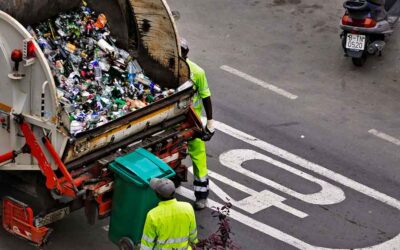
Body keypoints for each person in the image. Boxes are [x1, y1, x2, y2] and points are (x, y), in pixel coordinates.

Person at [180, 38, 215, 210]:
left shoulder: (197, 72)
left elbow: (206, 96)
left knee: (199, 158)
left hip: (192, 122)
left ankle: (202, 195)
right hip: (173, 120)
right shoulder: (168, 68)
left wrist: (210, 122)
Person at [140, 178, 198, 250]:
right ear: (174, 191)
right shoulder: (188, 208)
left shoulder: (152, 215)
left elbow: (147, 243)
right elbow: (193, 233)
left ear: (157, 195)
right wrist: (194, 243)